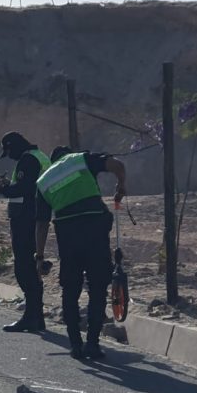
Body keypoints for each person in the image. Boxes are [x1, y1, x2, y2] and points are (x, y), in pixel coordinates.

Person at [36, 145, 127, 360]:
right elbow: (118, 165)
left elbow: (41, 223)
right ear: (67, 156)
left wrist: (39, 256)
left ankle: (76, 345)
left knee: (70, 290)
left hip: (68, 237)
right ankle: (92, 344)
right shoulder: (80, 160)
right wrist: (121, 186)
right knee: (97, 289)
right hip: (95, 232)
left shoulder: (43, 181)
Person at [0, 131, 51, 333]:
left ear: (14, 147)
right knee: (33, 266)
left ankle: (31, 317)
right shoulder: (40, 156)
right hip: (36, 216)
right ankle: (36, 316)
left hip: (25, 218)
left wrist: (3, 189)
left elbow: (25, 188)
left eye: (9, 152)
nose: (9, 157)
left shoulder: (28, 160)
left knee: (24, 268)